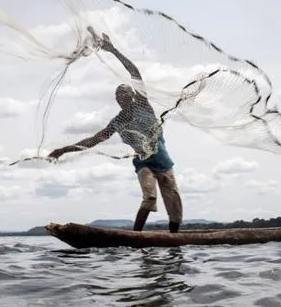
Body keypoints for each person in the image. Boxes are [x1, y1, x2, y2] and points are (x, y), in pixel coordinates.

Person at [48, 31, 183, 233]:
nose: (123, 97)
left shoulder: (144, 106)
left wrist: (113, 50)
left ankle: (174, 240)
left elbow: (134, 72)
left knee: (173, 203)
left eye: (126, 93)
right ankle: (136, 235)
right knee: (150, 198)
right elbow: (94, 140)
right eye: (119, 96)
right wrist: (64, 149)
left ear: (133, 95)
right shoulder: (118, 121)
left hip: (163, 162)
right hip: (143, 163)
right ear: (117, 100)